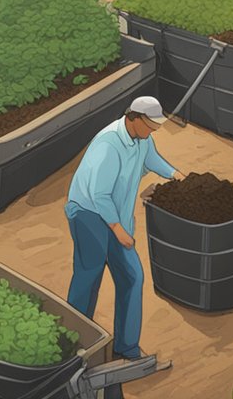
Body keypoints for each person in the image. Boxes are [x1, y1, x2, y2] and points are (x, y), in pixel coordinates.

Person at [66, 97, 183, 362]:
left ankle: (126, 349)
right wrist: (118, 229)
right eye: (151, 125)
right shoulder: (108, 144)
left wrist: (178, 176)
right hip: (88, 214)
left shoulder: (143, 141)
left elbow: (154, 160)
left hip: (115, 217)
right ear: (134, 118)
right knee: (89, 275)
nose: (154, 131)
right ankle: (72, 344)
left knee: (132, 277)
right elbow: (99, 194)